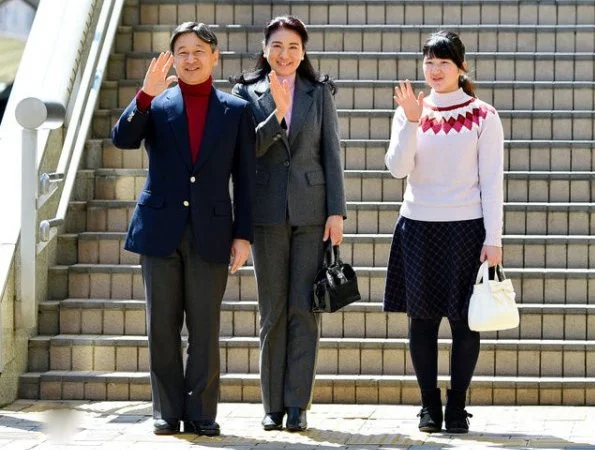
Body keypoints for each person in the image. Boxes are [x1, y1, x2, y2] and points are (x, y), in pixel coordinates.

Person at [111, 22, 255, 436]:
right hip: (159, 230)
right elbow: (122, 139)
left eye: (198, 51)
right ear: (172, 58)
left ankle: (202, 412)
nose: (190, 59)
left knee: (205, 327)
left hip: (211, 232)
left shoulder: (236, 110)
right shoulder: (156, 103)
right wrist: (144, 94)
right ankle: (166, 410)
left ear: (215, 56)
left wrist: (242, 236)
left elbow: (245, 179)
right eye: (182, 52)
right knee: (162, 325)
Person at [383, 30, 504, 434]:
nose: (435, 71)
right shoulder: (409, 109)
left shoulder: (483, 114)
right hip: (418, 225)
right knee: (421, 321)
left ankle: (457, 407)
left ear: (460, 67)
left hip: (467, 229)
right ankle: (429, 407)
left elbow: (492, 181)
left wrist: (494, 239)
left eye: (443, 63)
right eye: (429, 62)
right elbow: (398, 168)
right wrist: (412, 122)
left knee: (465, 323)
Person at [231, 15, 346, 432]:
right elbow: (244, 151)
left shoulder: (318, 93)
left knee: (304, 309)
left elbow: (331, 153)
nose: (285, 54)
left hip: (312, 212)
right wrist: (275, 115)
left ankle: (298, 404)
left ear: (303, 52)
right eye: (277, 46)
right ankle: (272, 405)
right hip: (265, 214)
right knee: (272, 312)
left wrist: (337, 212)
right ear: (265, 50)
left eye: (293, 47)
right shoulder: (245, 92)